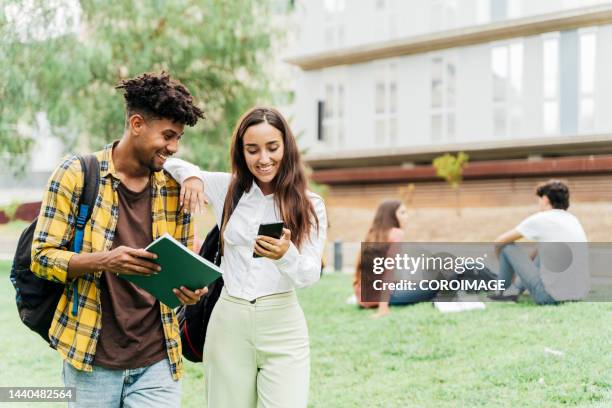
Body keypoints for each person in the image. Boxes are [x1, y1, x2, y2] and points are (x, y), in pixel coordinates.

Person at [31, 72, 207, 407]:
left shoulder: (175, 187)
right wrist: (105, 260)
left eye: (179, 138)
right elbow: (41, 258)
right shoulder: (76, 174)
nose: (174, 147)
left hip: (158, 359)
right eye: (168, 135)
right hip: (91, 359)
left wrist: (191, 291)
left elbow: (183, 270)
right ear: (137, 124)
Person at [164, 106, 327, 408]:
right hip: (229, 320)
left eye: (272, 148)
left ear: (286, 148)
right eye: (252, 150)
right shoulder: (227, 188)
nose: (263, 159)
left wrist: (285, 255)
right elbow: (169, 164)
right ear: (242, 152)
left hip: (283, 323)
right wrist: (192, 178)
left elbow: (309, 275)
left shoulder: (310, 204)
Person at [489, 179, 589, 304]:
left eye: (540, 200)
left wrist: (509, 270)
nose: (539, 204)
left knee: (506, 247)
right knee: (543, 251)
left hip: (549, 298)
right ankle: (514, 290)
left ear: (546, 200)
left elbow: (499, 241)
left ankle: (503, 292)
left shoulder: (542, 218)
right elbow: (537, 255)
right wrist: (520, 268)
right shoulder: (573, 220)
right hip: (577, 295)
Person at [353, 200, 439, 318]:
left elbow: (360, 269)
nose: (407, 217)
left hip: (363, 297)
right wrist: (383, 308)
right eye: (403, 213)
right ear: (391, 216)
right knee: (438, 285)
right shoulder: (397, 234)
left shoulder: (373, 234)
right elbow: (389, 272)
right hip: (383, 296)